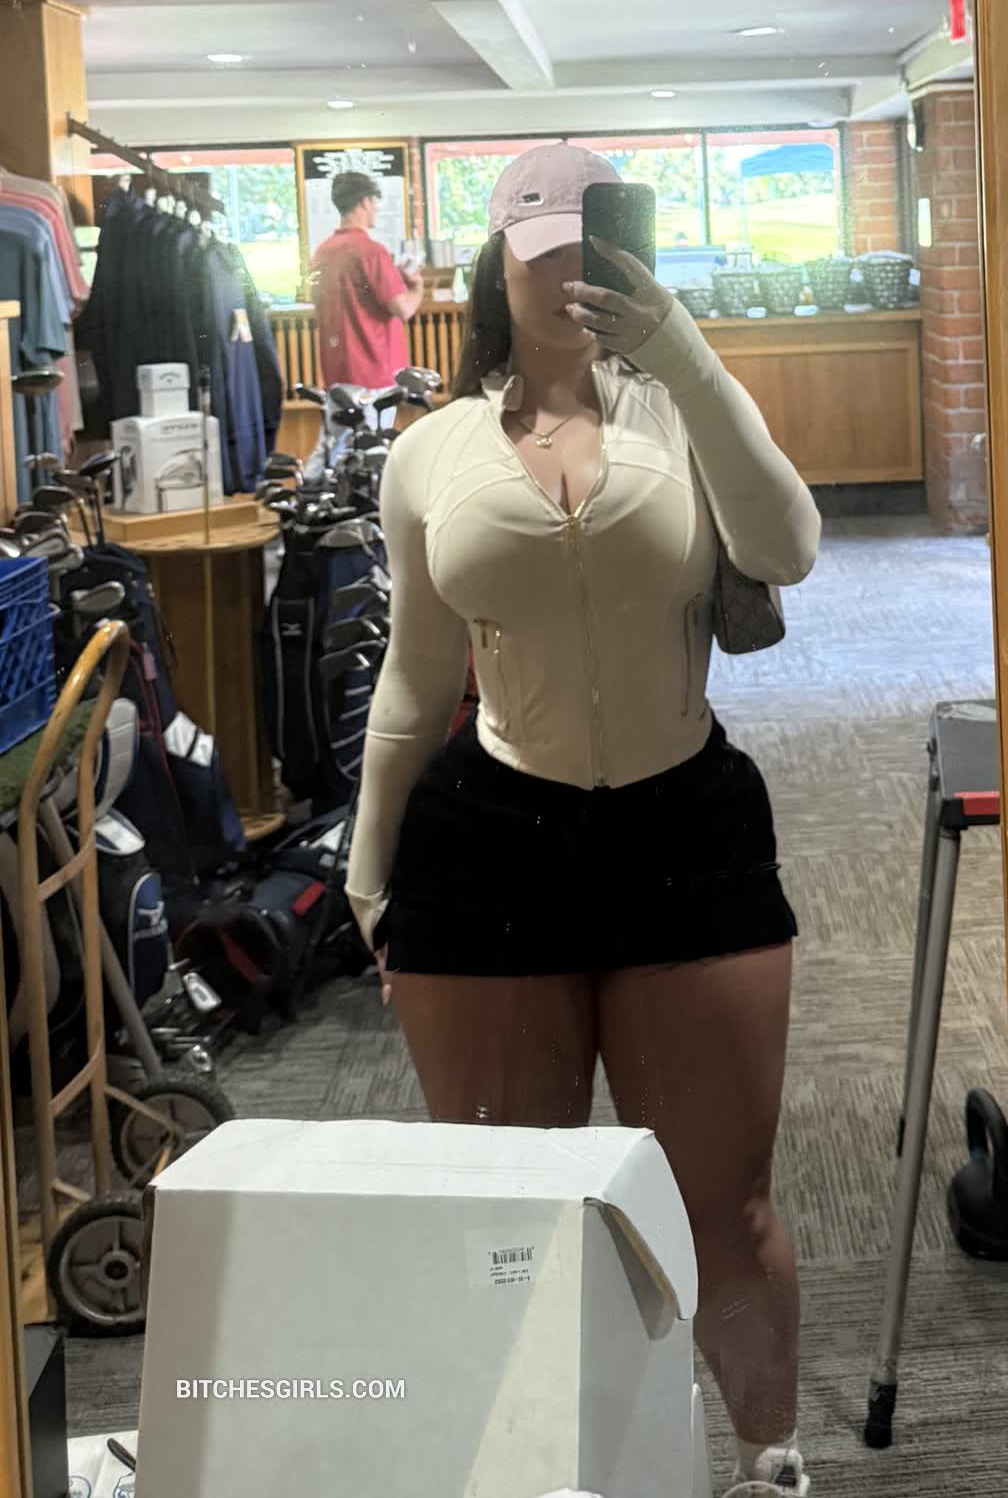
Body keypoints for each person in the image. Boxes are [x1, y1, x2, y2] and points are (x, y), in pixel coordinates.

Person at [344, 143, 821, 1498]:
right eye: (544, 254)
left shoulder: (681, 410)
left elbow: (785, 547)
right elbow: (415, 679)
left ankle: (770, 1462)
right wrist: (368, 874)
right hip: (488, 848)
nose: (570, 278)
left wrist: (682, 353)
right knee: (515, 1223)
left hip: (688, 833)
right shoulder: (431, 451)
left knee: (722, 1210)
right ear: (497, 266)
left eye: (595, 251)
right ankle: (541, 1471)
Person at [310, 172, 423, 390]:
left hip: (336, 374)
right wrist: (417, 287)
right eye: (374, 202)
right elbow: (403, 309)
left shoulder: (321, 252)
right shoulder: (372, 252)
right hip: (375, 375)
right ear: (365, 202)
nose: (376, 209)